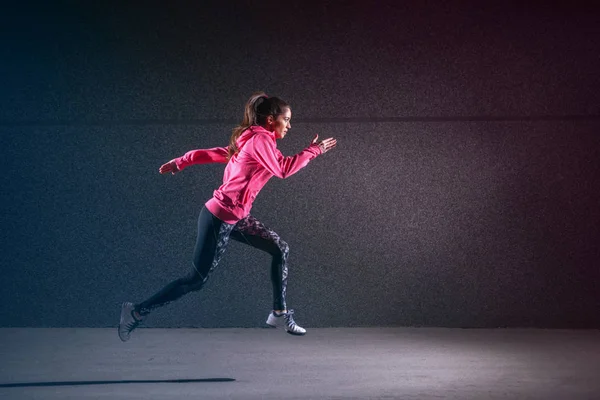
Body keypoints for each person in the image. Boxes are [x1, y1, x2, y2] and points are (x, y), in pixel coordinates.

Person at [118, 92, 337, 341]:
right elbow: (284, 170)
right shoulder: (259, 141)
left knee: (280, 249)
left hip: (238, 217)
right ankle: (136, 311)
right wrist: (314, 151)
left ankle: (278, 312)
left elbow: (216, 153)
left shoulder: (258, 142)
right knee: (196, 280)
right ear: (270, 120)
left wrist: (183, 161)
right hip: (219, 217)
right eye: (286, 120)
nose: (289, 125)